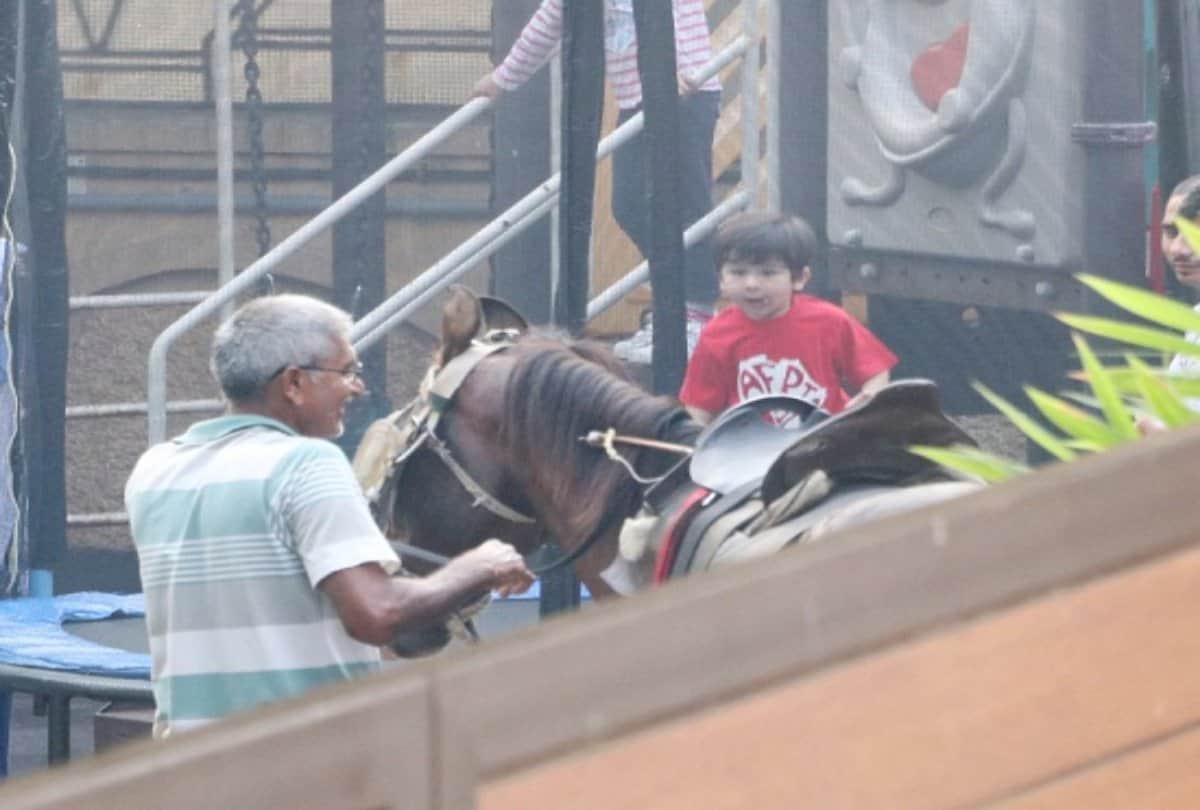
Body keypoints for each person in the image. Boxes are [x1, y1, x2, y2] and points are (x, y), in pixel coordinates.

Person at [124, 294, 533, 737]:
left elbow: (294, 623)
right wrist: (477, 568)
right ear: (295, 383)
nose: (358, 388)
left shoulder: (154, 470)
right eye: (347, 372)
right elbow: (376, 614)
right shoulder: (307, 463)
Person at [474, 0, 722, 362]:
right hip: (642, 98)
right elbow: (550, 22)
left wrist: (673, 68)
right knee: (630, 204)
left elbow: (677, 11)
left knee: (682, 203)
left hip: (681, 91)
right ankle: (676, 311)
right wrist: (504, 78)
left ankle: (695, 312)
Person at [679, 211, 898, 425]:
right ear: (721, 280)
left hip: (826, 439)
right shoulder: (716, 335)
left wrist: (870, 400)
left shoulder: (829, 320)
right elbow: (699, 409)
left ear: (800, 279)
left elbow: (876, 371)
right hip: (751, 450)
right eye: (738, 272)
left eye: (768, 273)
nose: (751, 284)